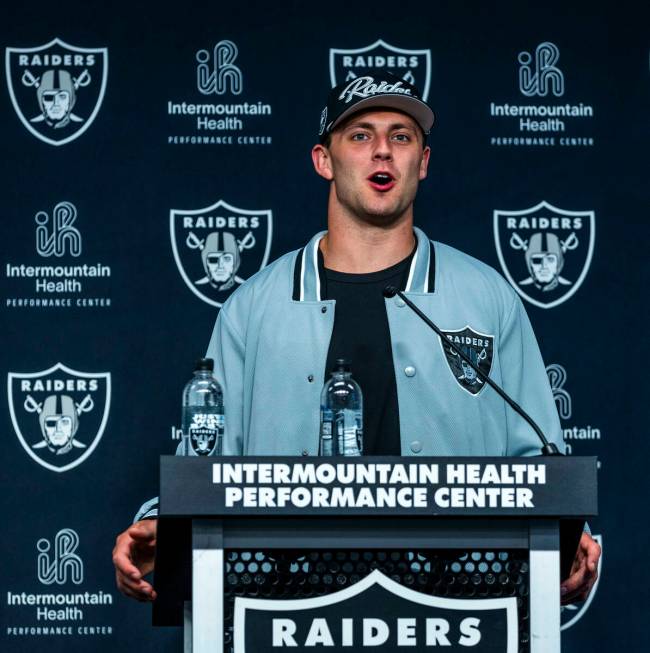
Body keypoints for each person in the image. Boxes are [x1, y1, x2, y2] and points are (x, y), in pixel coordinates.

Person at [113, 71, 600, 605]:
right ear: (324, 159)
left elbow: (540, 459)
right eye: (361, 135)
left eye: (401, 136)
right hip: (288, 605)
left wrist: (571, 532)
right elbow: (204, 457)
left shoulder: (486, 298)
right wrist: (159, 523)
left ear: (424, 162)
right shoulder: (253, 308)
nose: (383, 153)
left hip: (457, 603)